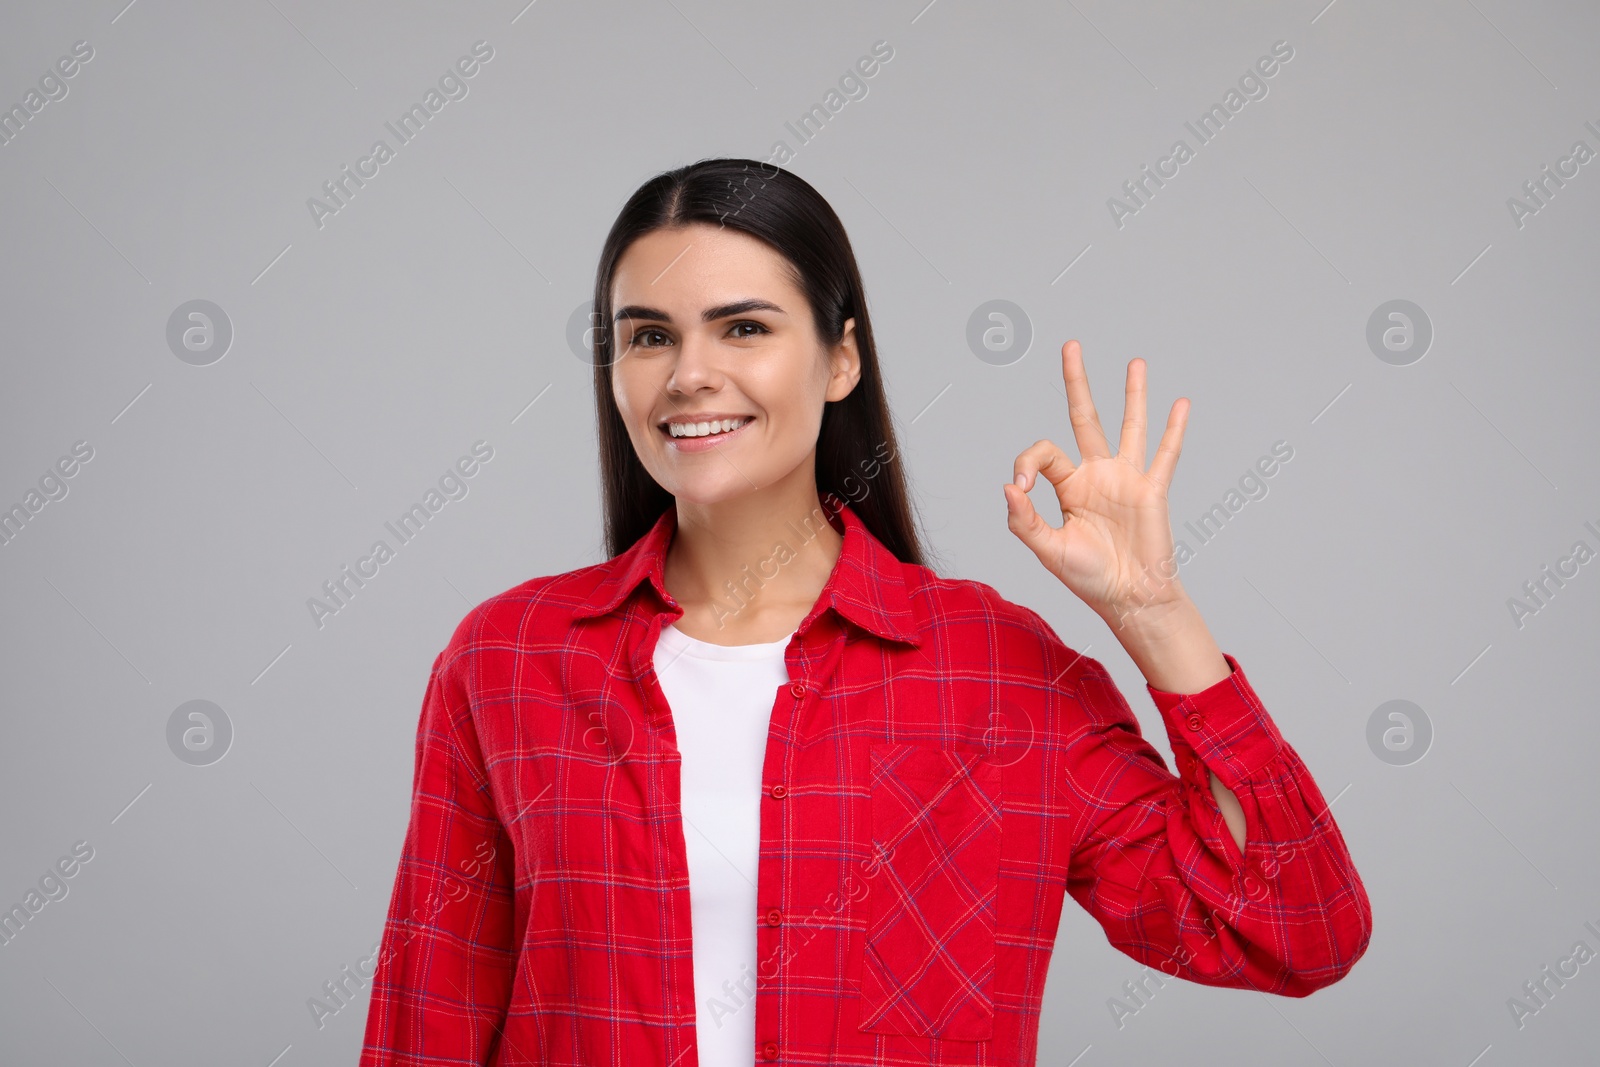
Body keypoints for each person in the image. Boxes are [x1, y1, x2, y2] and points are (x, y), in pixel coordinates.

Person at [358, 158, 1371, 1066]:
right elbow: (426, 1021)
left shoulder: (997, 673)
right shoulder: (509, 659)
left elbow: (1287, 925)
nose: (689, 373)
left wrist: (1155, 615)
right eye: (649, 337)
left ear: (840, 360)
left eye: (744, 327)